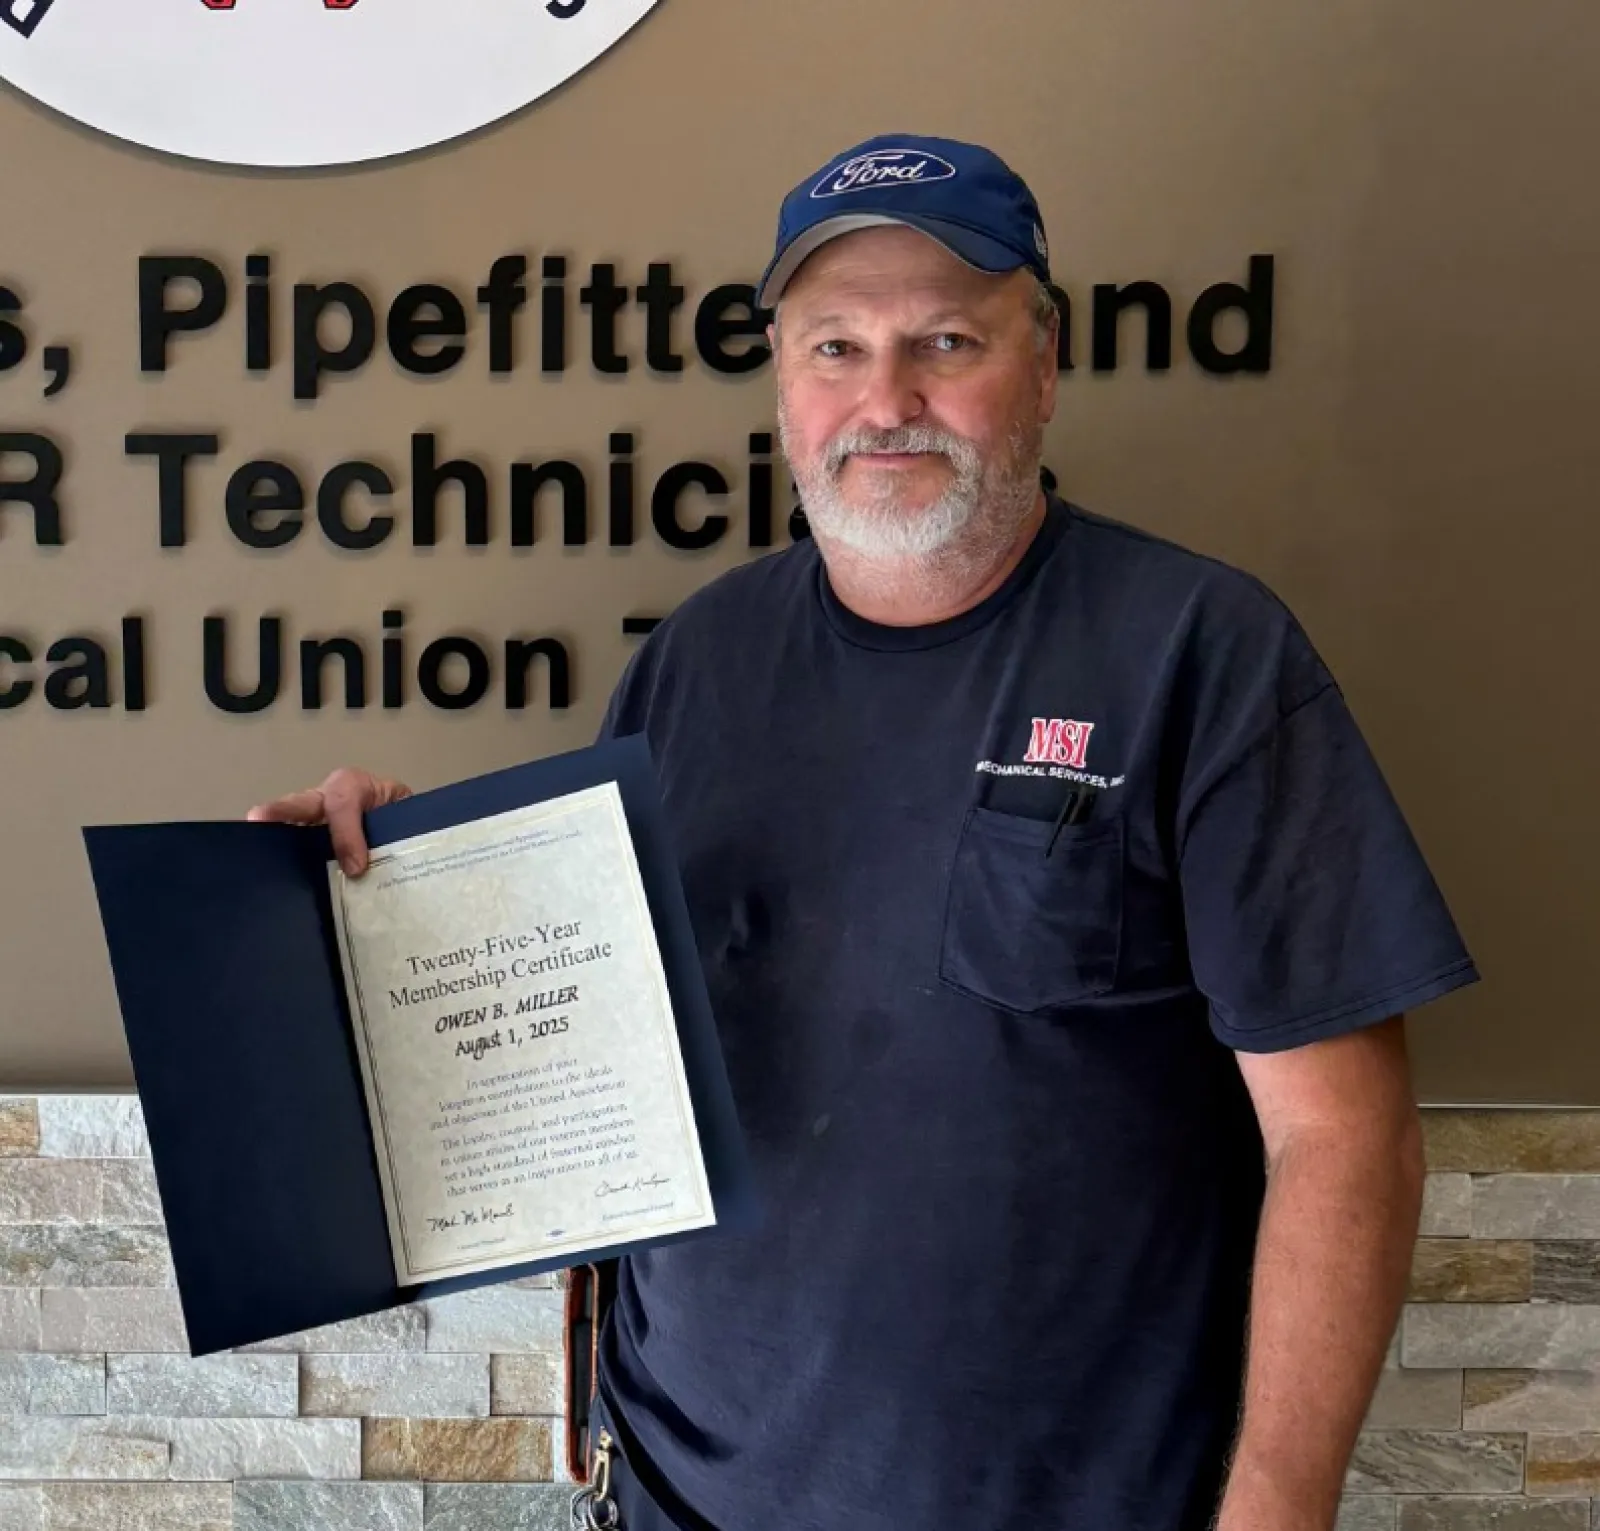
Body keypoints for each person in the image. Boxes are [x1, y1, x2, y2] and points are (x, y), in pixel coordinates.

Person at [249, 134, 1480, 1531]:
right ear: (783, 379)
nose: (885, 397)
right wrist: (388, 887)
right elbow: (578, 1061)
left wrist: (1275, 1509)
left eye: (945, 339)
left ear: (1046, 364)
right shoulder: (692, 665)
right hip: (677, 1498)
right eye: (834, 346)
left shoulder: (1202, 654)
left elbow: (1346, 1142)